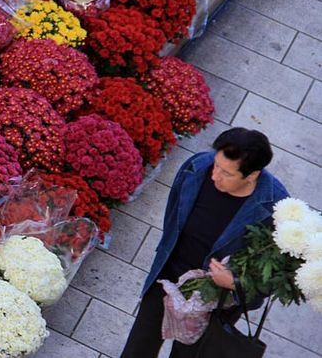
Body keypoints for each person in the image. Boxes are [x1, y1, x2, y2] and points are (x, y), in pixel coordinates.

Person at [120, 127, 289, 358]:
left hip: (214, 301)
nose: (215, 175)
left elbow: (274, 276)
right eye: (216, 165)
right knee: (137, 350)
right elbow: (173, 222)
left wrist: (234, 282)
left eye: (226, 173)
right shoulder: (197, 167)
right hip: (167, 279)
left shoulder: (275, 209)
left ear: (252, 175)